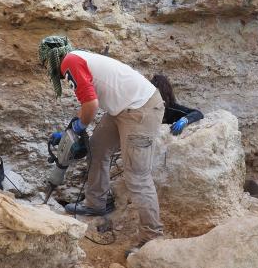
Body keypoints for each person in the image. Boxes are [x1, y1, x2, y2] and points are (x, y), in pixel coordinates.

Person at [38, 36, 164, 249]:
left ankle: (152, 239)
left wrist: (78, 128)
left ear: (51, 59)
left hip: (141, 109)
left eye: (46, 63)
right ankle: (97, 204)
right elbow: (87, 103)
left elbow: (91, 104)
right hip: (121, 109)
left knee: (137, 175)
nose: (48, 68)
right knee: (96, 149)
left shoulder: (70, 62)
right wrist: (70, 131)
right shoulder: (77, 59)